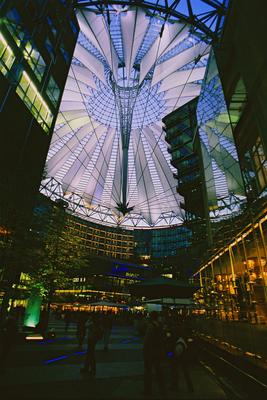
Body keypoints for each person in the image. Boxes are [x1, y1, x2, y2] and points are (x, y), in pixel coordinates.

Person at [143, 311, 165, 396]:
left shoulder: (151, 326)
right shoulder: (160, 325)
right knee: (158, 370)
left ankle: (148, 390)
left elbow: (147, 340)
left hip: (150, 351)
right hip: (158, 351)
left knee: (148, 371)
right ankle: (162, 389)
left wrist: (144, 350)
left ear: (151, 317)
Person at [170, 322, 194, 393]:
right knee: (185, 373)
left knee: (176, 372)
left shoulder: (178, 342)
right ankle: (190, 387)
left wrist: (169, 355)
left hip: (180, 359)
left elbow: (175, 352)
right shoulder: (182, 340)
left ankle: (175, 385)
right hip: (184, 359)